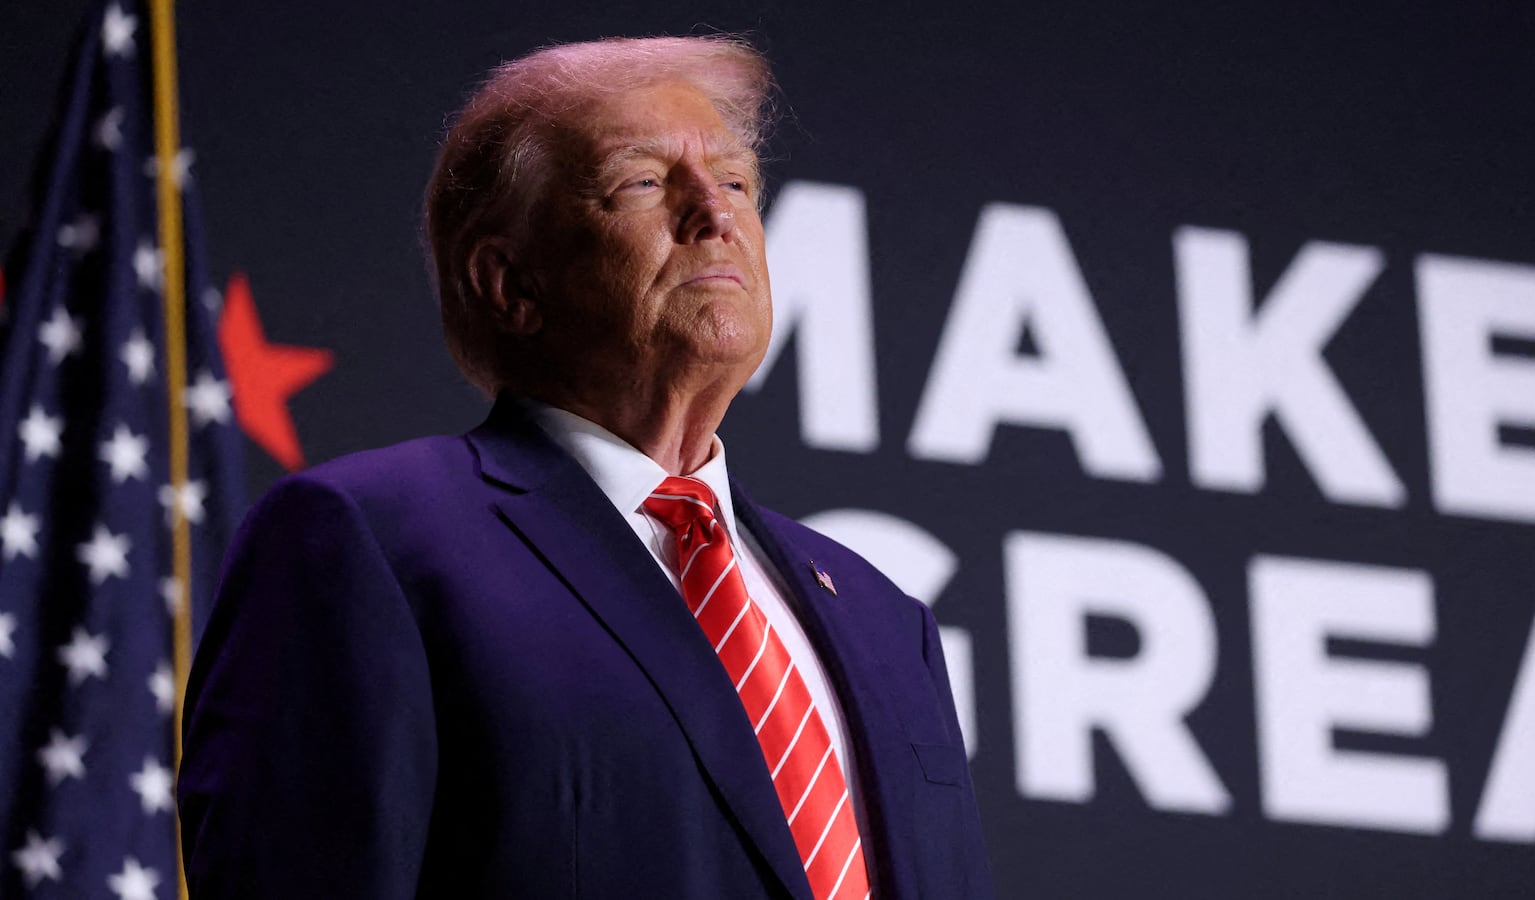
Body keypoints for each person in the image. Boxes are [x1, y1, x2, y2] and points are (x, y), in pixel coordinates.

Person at [177, 35, 991, 899]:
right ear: (508, 283)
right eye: (643, 183)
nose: (714, 216)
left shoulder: (884, 618)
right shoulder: (371, 542)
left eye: (736, 184)